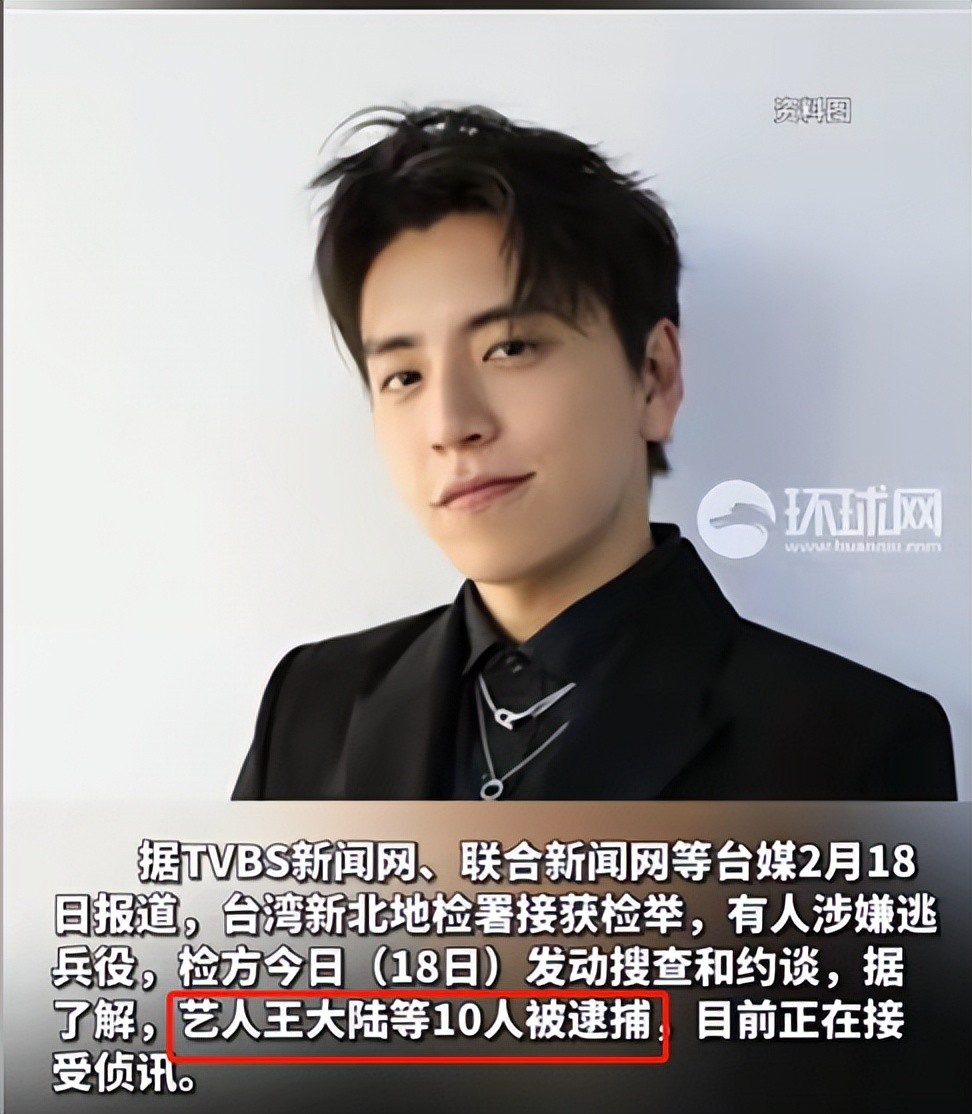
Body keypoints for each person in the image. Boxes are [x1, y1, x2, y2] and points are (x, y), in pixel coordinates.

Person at [233, 105, 956, 801]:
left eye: (510, 348)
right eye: (403, 377)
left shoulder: (852, 746)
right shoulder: (311, 706)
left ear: (654, 376)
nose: (451, 424)